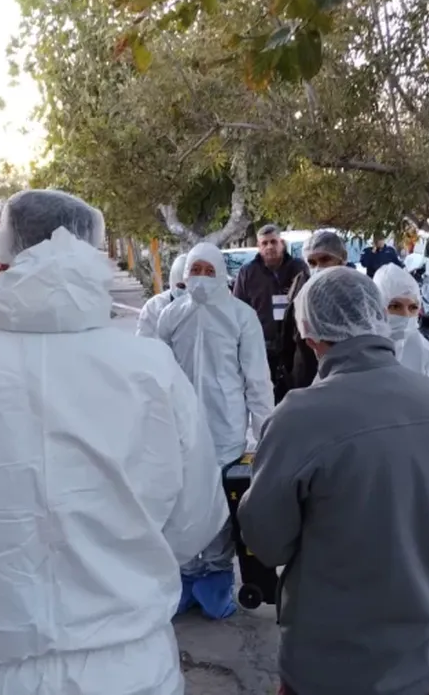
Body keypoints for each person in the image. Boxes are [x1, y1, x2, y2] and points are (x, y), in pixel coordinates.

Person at [0, 189, 228, 695]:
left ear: (2, 250)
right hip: (129, 670)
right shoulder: (149, 372)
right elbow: (196, 521)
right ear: (92, 247)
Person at [237, 267, 429, 695]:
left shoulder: (299, 418)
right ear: (379, 319)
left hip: (329, 665)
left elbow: (268, 541)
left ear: (310, 336)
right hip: (423, 659)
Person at [158, 241, 275, 619]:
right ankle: (186, 576)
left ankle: (215, 578)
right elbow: (155, 378)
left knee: (221, 509)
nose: (203, 280)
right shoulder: (171, 317)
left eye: (210, 272)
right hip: (179, 432)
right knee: (182, 505)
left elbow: (257, 381)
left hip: (226, 431)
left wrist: (266, 435)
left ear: (222, 275)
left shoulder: (241, 317)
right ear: (185, 274)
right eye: (196, 272)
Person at [233, 224, 309, 394]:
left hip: (295, 346)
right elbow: (238, 309)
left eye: (273, 242)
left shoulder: (298, 268)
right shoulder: (247, 273)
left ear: (282, 243)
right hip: (262, 347)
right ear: (259, 247)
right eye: (264, 243)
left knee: (296, 393)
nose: (269, 247)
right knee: (265, 394)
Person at [373, 264, 429, 395]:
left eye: (413, 307)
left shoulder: (428, 359)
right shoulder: (358, 352)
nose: (405, 315)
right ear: (377, 307)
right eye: (395, 306)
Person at [280, 231, 349, 394]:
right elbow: (288, 336)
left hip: (344, 379)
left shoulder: (356, 290)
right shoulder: (301, 286)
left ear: (342, 258)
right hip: (305, 376)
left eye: (325, 259)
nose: (318, 267)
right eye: (312, 262)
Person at [136, 253, 188, 339]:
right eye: (181, 286)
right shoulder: (154, 307)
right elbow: (143, 343)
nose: (186, 292)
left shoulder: (208, 309)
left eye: (190, 289)